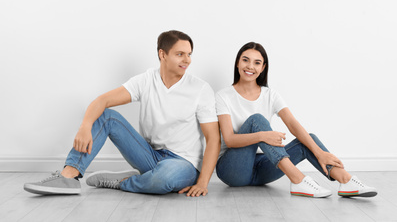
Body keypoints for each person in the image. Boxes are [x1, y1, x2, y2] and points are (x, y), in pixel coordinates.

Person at [24, 30, 221, 197]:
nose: (187, 60)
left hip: (183, 162)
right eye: (180, 54)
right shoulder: (145, 80)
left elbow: (213, 139)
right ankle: (68, 177)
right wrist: (85, 127)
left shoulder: (200, 89)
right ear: (162, 54)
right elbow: (102, 101)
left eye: (189, 54)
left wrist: (203, 182)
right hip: (149, 155)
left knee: (164, 179)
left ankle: (125, 181)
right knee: (106, 115)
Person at [215, 42, 377, 198]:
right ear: (237, 63)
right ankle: (298, 180)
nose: (250, 66)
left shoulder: (270, 95)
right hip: (233, 170)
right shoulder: (224, 96)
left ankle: (346, 181)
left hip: (262, 169)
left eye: (257, 63)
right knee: (256, 120)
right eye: (245, 60)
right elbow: (229, 140)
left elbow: (292, 124)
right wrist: (262, 136)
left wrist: (319, 153)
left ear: (263, 68)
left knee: (308, 140)